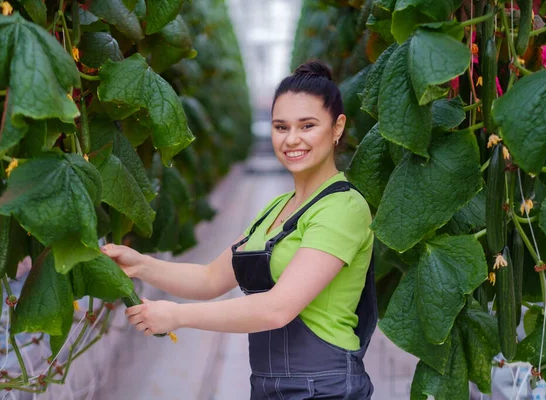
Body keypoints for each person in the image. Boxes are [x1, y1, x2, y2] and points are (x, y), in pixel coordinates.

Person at [100, 60, 378, 399]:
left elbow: (278, 308)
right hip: (267, 385)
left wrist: (176, 315)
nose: (292, 139)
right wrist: (140, 264)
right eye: (281, 127)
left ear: (337, 128)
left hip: (325, 387)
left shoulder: (343, 207)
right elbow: (210, 279)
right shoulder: (275, 210)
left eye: (307, 126)